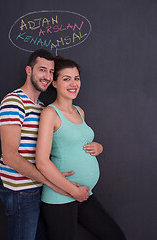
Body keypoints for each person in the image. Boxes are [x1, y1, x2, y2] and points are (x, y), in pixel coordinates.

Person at [0, 49, 103, 240]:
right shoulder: (14, 102)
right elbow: (10, 156)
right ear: (29, 71)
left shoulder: (40, 107)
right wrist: (53, 183)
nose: (46, 76)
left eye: (50, 71)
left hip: (39, 188)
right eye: (42, 70)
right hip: (21, 192)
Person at [35, 56, 126, 240]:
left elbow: (78, 141)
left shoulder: (79, 111)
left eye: (76, 78)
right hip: (60, 196)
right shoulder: (50, 113)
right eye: (66, 79)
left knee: (116, 236)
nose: (73, 83)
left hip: (83, 194)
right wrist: (73, 190)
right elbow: (42, 162)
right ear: (54, 83)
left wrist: (98, 147)